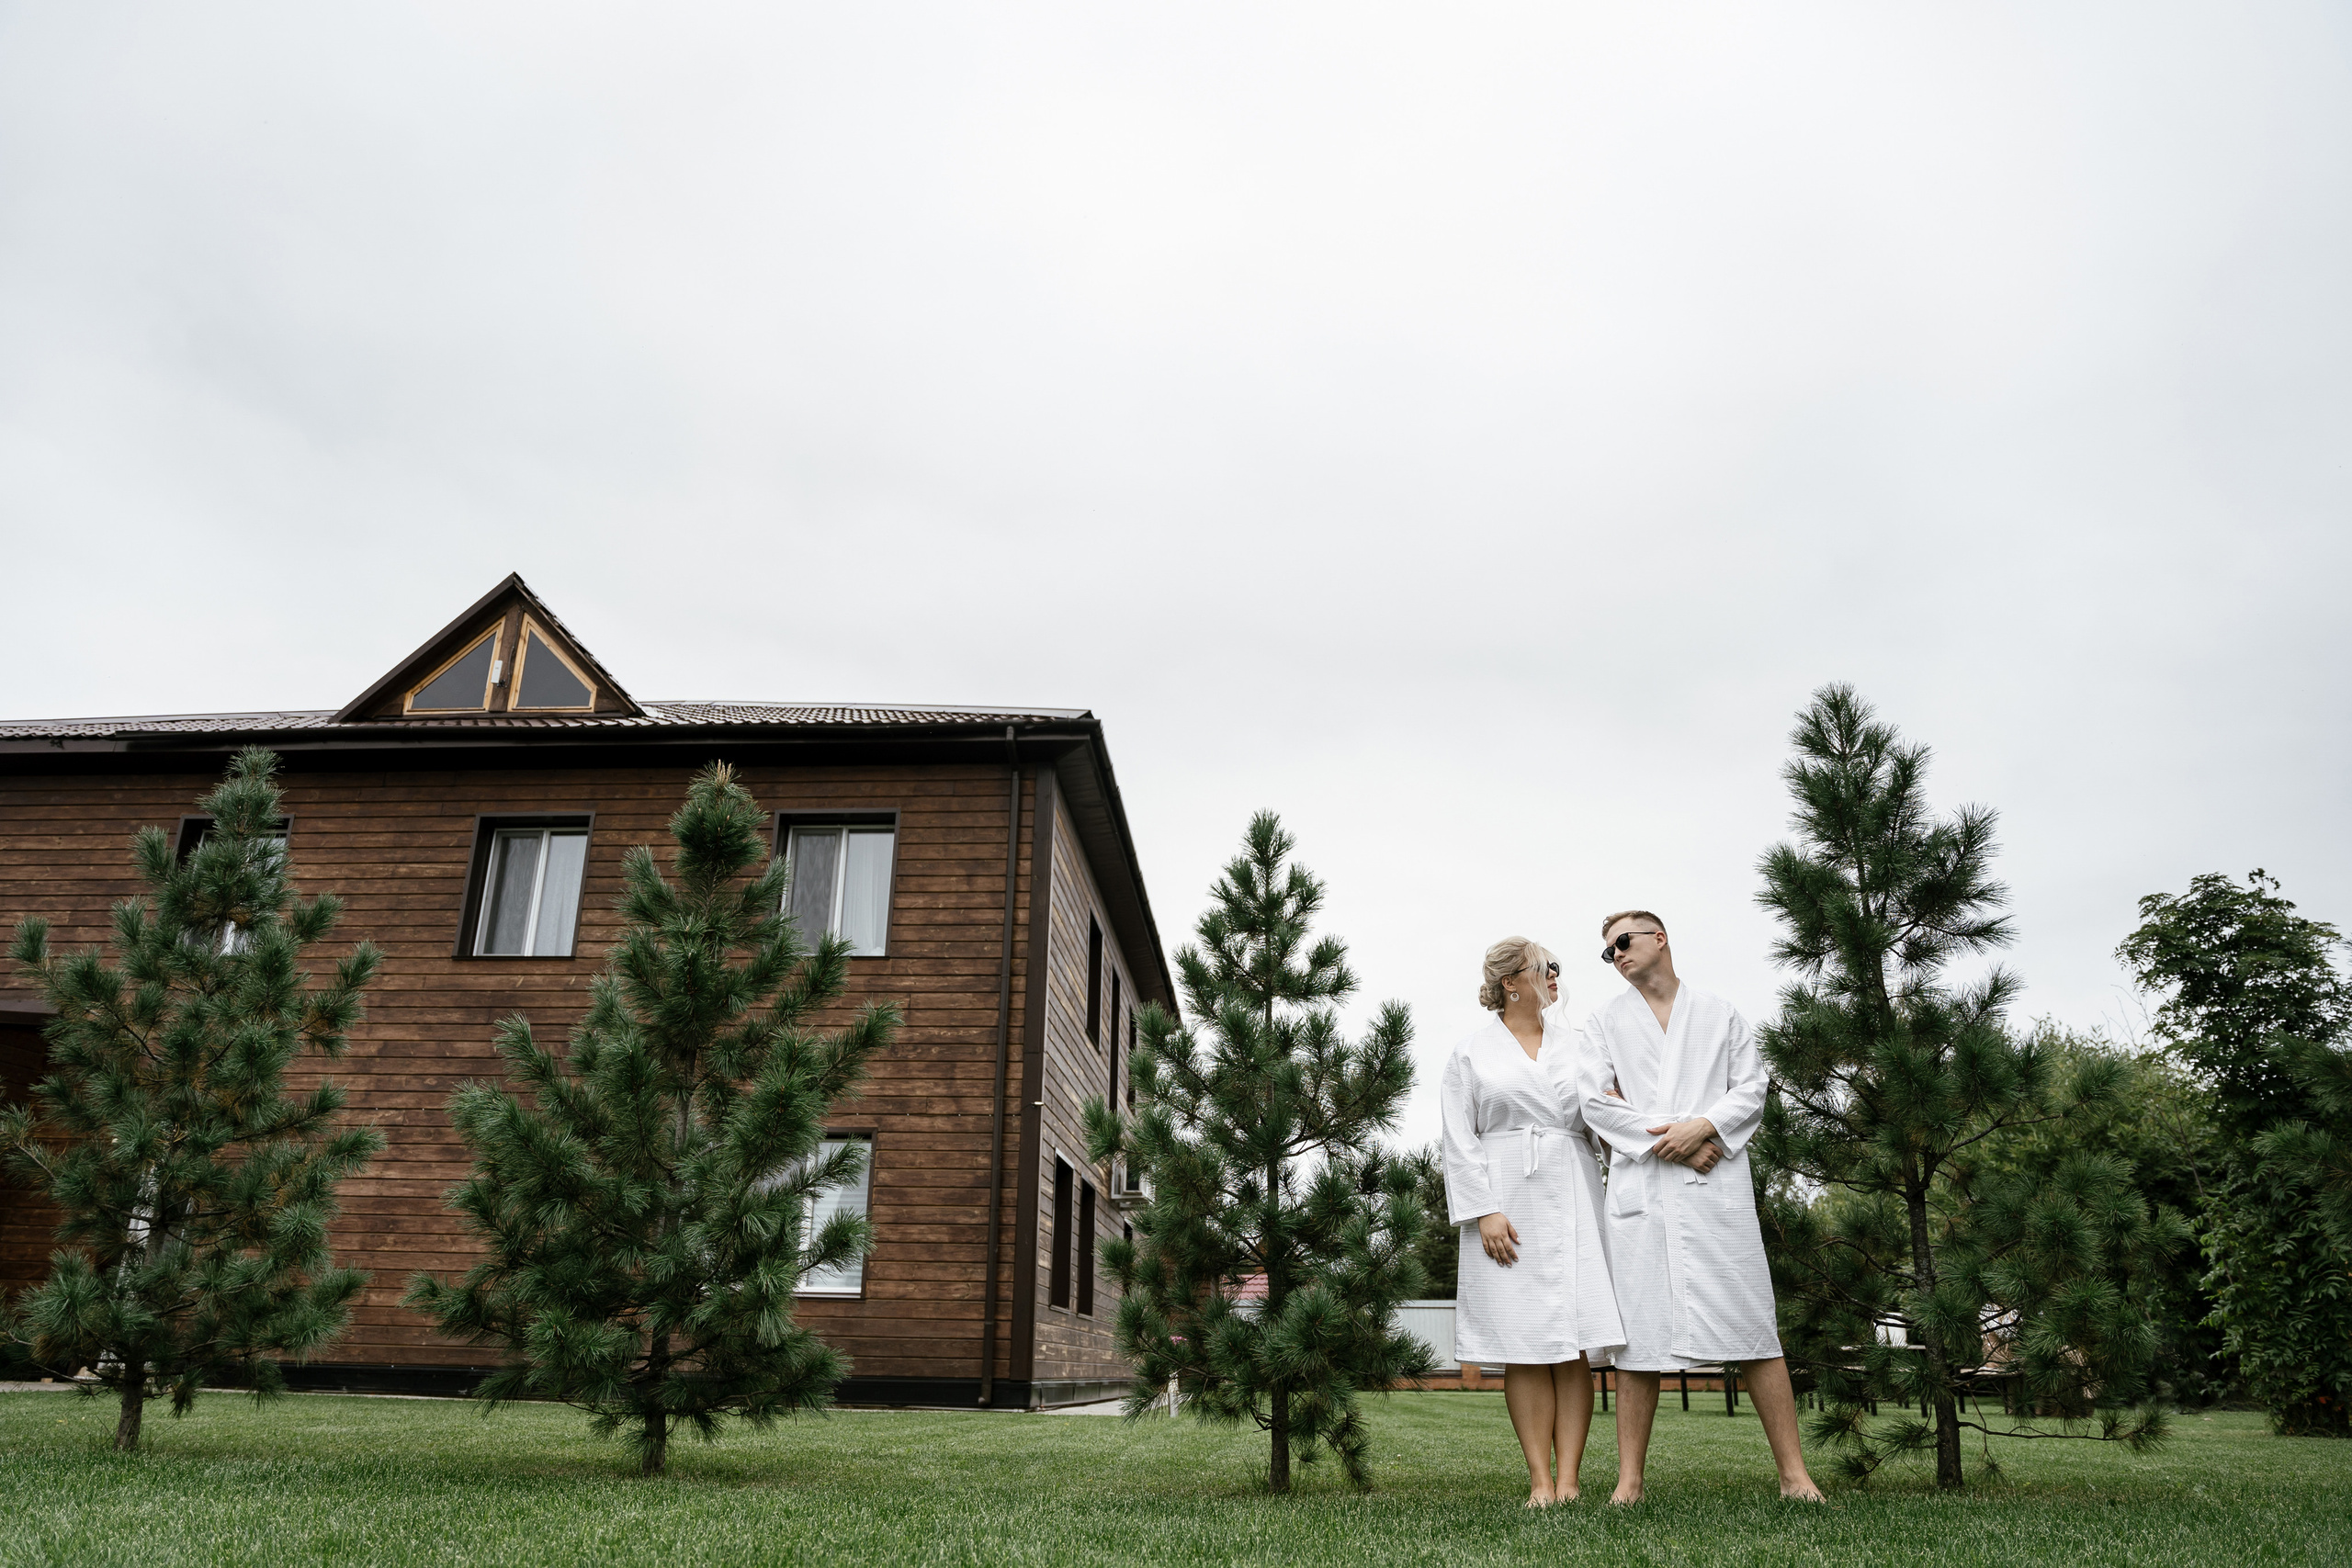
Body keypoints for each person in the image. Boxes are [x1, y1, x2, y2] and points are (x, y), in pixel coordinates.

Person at [1576, 909, 1824, 1504]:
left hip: (1716, 1194)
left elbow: (1752, 1085)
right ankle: (1629, 1480)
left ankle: (1795, 1475)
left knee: (1754, 1327)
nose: (1616, 955)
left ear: (1659, 938)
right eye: (1607, 951)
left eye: (1623, 942)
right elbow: (1594, 1100)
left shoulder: (1719, 1013)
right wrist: (1680, 1140)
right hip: (1644, 1193)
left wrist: (1707, 1125)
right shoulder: (1603, 1022)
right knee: (1637, 1339)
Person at [1440, 937, 1624, 1507]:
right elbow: (1457, 1136)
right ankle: (1539, 1480)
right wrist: (1485, 1210)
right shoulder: (1470, 1053)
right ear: (1510, 982)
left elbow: (1608, 1117)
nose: (1554, 976)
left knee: (1573, 1341)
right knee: (1524, 1341)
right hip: (1505, 1202)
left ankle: (1569, 1480)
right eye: (1545, 967)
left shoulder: (1581, 1046)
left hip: (1572, 1190)